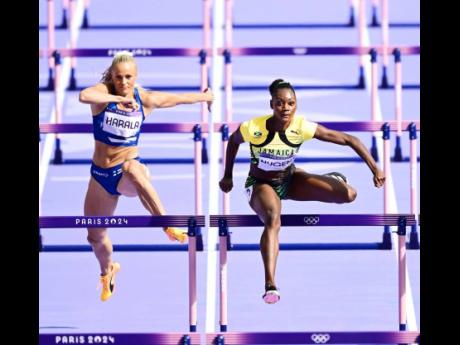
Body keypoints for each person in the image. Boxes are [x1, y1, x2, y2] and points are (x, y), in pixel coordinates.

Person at [219, 79, 385, 304]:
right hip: (260, 185)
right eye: (279, 103)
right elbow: (232, 141)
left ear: (296, 105)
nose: (285, 108)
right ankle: (270, 284)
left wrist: (375, 168)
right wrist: (228, 175)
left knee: (348, 195)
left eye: (290, 103)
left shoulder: (302, 126)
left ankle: (331, 180)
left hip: (290, 179)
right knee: (273, 219)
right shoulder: (253, 127)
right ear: (271, 105)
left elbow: (350, 139)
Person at [79, 51, 213, 301]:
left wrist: (206, 96)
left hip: (127, 172)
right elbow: (83, 95)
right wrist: (115, 97)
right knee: (95, 236)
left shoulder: (145, 99)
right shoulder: (102, 94)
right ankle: (107, 271)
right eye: (119, 77)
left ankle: (167, 223)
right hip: (100, 175)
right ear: (112, 76)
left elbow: (177, 98)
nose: (124, 82)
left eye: (128, 77)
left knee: (134, 169)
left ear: (136, 76)